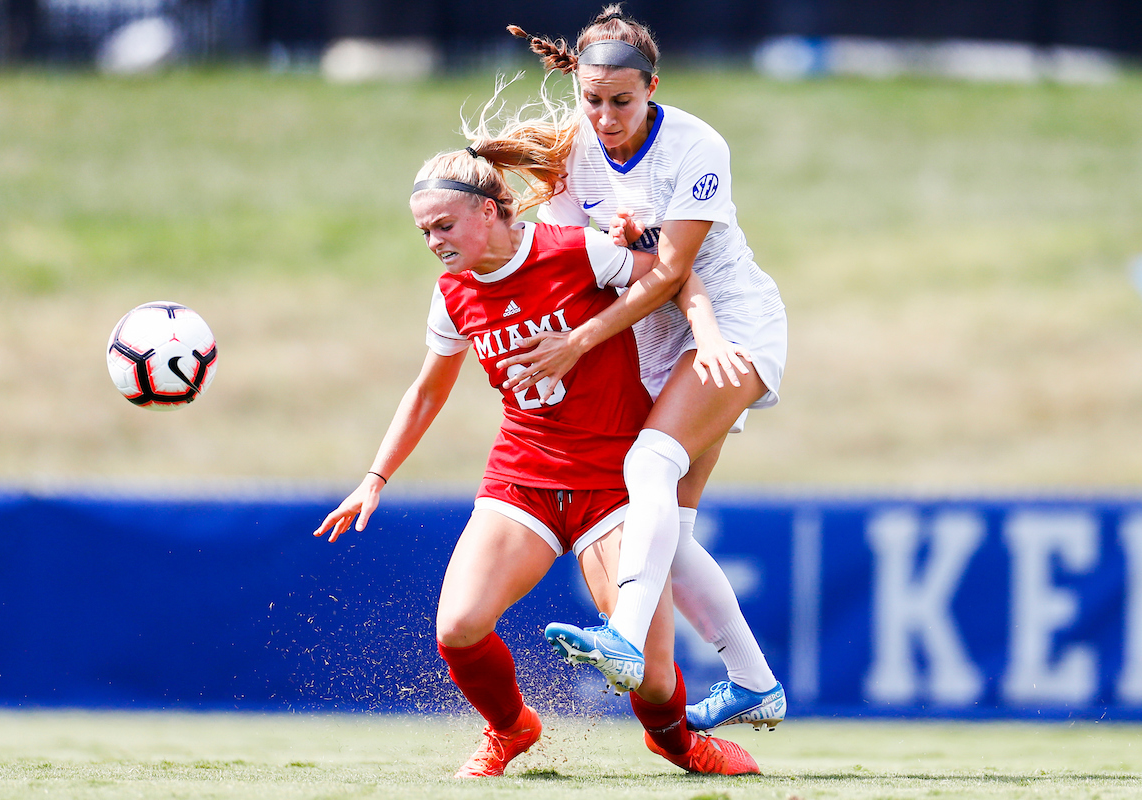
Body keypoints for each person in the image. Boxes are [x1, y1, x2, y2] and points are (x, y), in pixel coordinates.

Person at [312, 137, 759, 776]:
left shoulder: (575, 250)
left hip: (614, 480)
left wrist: (709, 333)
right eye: (424, 231)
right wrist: (374, 477)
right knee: (458, 627)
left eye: (444, 225)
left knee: (652, 677)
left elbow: (674, 274)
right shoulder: (452, 292)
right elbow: (428, 390)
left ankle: (678, 743)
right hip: (523, 476)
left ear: (489, 210)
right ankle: (511, 728)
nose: (434, 241)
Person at [501, 5, 789, 733]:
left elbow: (670, 273)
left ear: (652, 87)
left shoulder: (697, 145)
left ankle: (624, 639)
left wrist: (577, 343)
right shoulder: (572, 148)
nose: (605, 117)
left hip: (733, 325)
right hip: (657, 340)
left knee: (648, 463)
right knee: (674, 533)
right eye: (592, 100)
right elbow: (581, 261)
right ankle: (754, 683)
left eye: (621, 101)